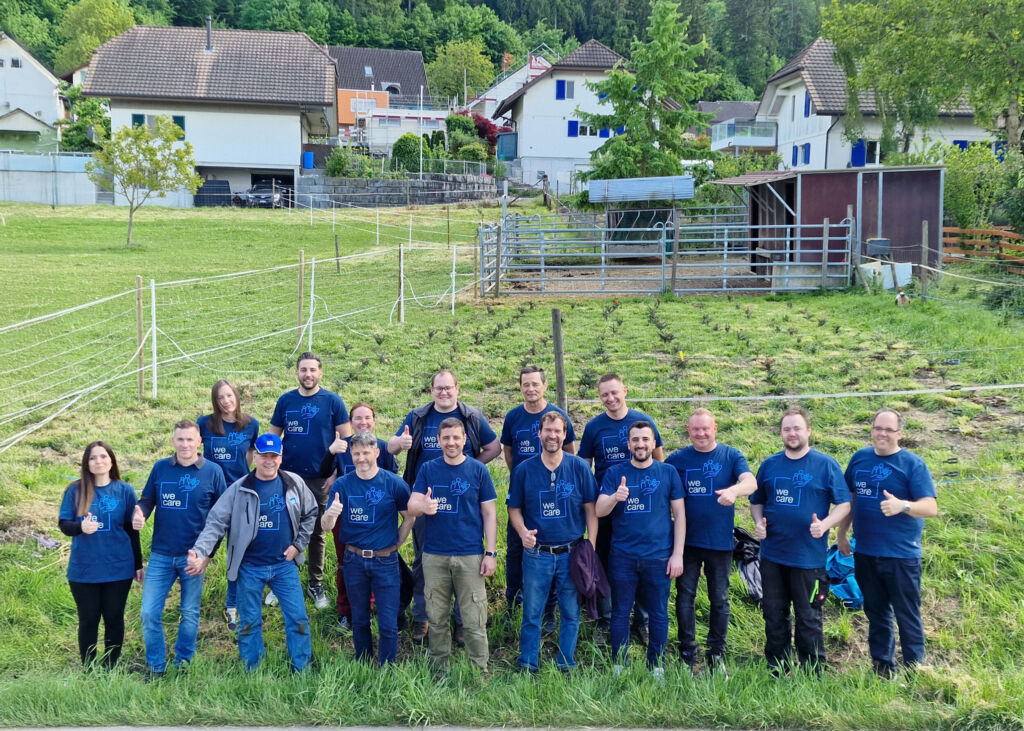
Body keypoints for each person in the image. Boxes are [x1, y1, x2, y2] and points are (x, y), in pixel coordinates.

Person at [188, 433, 318, 672]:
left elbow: (311, 513)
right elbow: (216, 522)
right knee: (249, 623)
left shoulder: (294, 483)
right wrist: (200, 550)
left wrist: (299, 544)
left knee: (298, 619)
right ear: (255, 457)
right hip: (249, 567)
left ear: (280, 457)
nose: (269, 461)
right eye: (263, 455)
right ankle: (253, 671)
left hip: (283, 566)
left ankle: (302, 670)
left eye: (274, 456)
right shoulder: (239, 489)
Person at [388, 368, 500, 642]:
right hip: (426, 501)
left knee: (467, 560)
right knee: (424, 559)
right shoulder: (418, 416)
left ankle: (463, 622)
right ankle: (423, 618)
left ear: (457, 388)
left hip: (464, 500)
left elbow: (494, 446)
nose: (444, 392)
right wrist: (399, 443)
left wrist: (471, 471)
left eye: (448, 387)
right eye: (439, 388)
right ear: (432, 391)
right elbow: (390, 447)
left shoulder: (471, 416)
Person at [750, 406, 851, 675]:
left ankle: (812, 672)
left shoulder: (825, 465)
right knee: (774, 614)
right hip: (772, 557)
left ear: (808, 431)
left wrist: (826, 525)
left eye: (796, 428)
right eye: (786, 429)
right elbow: (757, 502)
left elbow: (844, 504)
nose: (791, 433)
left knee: (809, 617)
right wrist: (758, 523)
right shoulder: (770, 465)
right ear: (780, 433)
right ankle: (777, 668)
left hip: (809, 560)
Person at [837, 408, 938, 677]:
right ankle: (883, 668)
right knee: (876, 612)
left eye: (888, 429)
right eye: (877, 428)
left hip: (902, 555)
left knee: (907, 614)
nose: (882, 433)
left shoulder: (913, 464)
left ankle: (915, 670)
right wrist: (841, 534)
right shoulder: (859, 459)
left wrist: (902, 505)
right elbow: (850, 500)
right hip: (866, 552)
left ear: (899, 433)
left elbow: (930, 507)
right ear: (871, 430)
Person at [665, 408, 756, 675]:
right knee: (685, 598)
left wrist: (734, 491)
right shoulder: (678, 459)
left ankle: (716, 654)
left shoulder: (731, 456)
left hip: (720, 543)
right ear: (688, 430)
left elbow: (750, 482)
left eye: (706, 428)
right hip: (687, 543)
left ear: (715, 428)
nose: (701, 434)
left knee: (720, 599)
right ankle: (687, 653)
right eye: (695, 429)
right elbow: (660, 481)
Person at [135, 419, 226, 676]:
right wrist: (140, 512)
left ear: (199, 442)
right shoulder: (160, 468)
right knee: (149, 613)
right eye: (180, 439)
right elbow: (147, 500)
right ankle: (156, 666)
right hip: (161, 555)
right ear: (173, 441)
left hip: (193, 556)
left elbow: (222, 517)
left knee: (189, 612)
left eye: (190, 439)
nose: (185, 444)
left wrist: (207, 556)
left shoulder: (213, 472)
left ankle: (183, 662)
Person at [508, 411, 597, 673]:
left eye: (558, 431)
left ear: (565, 434)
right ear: (539, 433)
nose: (553, 436)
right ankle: (528, 663)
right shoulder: (524, 470)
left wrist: (591, 545)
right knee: (532, 614)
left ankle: (566, 663)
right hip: (538, 554)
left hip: (572, 552)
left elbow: (591, 509)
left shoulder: (579, 467)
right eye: (548, 430)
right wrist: (523, 531)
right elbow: (514, 508)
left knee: (570, 613)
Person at [407, 418, 497, 673]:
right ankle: (439, 670)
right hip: (435, 555)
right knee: (436, 618)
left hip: (470, 555)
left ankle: (479, 670)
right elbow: (412, 506)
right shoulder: (428, 469)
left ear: (465, 439)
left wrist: (490, 553)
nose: (451, 443)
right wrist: (422, 506)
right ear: (438, 441)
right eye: (446, 438)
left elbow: (490, 514)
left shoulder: (478, 471)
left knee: (474, 619)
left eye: (456, 438)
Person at [578, 373, 664, 640]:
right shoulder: (594, 427)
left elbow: (659, 461)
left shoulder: (643, 422)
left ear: (625, 391)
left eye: (615, 392)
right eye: (605, 394)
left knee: (643, 561)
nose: (610, 398)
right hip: (607, 506)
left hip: (641, 507)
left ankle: (643, 620)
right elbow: (584, 465)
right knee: (605, 561)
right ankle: (607, 619)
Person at [596, 421, 684, 680]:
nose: (640, 444)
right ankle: (619, 665)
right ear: (628, 444)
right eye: (635, 440)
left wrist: (677, 553)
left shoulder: (667, 472)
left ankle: (656, 666)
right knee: (621, 611)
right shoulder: (615, 473)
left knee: (658, 612)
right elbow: (600, 510)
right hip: (623, 556)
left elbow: (679, 514)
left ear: (654, 443)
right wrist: (615, 497)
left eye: (645, 439)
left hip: (659, 556)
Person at [322, 432, 414, 666]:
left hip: (385, 561)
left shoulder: (394, 483)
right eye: (356, 454)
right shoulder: (343, 484)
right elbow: (325, 526)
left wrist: (396, 544)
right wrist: (330, 515)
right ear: (351, 456)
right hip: (354, 561)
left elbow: (409, 517)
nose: (361, 458)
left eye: (365, 453)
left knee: (387, 621)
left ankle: (387, 667)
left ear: (376, 453)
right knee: (360, 618)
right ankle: (363, 662)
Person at [269, 352, 351, 610]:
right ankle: (281, 582)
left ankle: (315, 583)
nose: (308, 374)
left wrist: (336, 474)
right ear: (297, 373)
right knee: (285, 529)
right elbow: (273, 440)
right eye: (303, 370)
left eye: (313, 370)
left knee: (316, 532)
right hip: (289, 478)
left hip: (320, 479)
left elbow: (346, 443)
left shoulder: (333, 402)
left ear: (320, 373)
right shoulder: (285, 401)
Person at [58, 441, 143, 668]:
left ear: (111, 461)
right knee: (88, 619)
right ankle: (89, 667)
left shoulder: (124, 490)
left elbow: (131, 530)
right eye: (93, 458)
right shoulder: (75, 490)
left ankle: (110, 667)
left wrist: (137, 563)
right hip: (84, 569)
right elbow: (64, 524)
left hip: (118, 567)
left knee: (114, 617)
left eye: (103, 456)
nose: (99, 461)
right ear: (87, 463)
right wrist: (80, 528)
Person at [500, 365, 576, 612]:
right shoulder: (513, 417)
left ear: (544, 386)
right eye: (525, 384)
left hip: (553, 494)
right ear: (520, 387)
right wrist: (522, 479)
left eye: (535, 384)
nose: (530, 389)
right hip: (523, 493)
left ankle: (549, 604)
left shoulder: (558, 415)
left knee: (549, 548)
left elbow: (570, 454)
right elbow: (509, 452)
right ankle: (513, 599)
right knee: (515, 548)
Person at [318, 401, 399, 630]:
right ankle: (345, 610)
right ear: (350, 423)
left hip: (376, 517)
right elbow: (323, 473)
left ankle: (370, 607)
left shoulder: (381, 447)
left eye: (367, 418)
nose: (363, 422)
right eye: (357, 419)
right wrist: (330, 454)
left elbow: (392, 480)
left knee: (375, 562)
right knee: (346, 564)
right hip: (346, 516)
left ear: (374, 421)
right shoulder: (342, 446)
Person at [196, 379, 259, 632]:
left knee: (237, 551)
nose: (225, 401)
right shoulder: (205, 424)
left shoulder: (250, 424)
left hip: (239, 495)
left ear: (236, 396)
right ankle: (191, 601)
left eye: (229, 396)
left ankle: (232, 604)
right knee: (204, 545)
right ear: (215, 400)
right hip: (210, 495)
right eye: (220, 397)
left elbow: (251, 454)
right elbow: (193, 451)